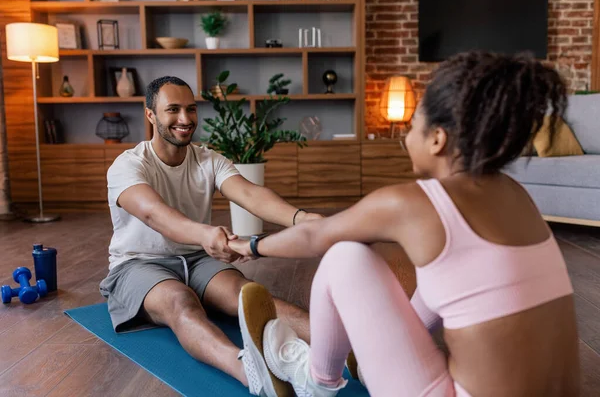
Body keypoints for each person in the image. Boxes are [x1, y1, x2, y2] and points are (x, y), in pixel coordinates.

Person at [231, 51, 580, 397]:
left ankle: (314, 382)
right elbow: (455, 280)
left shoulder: (417, 203)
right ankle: (369, 366)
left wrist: (249, 245)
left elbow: (314, 236)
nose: (407, 138)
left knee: (344, 256)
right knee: (445, 269)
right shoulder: (518, 197)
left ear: (437, 139)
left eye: (412, 125)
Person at [99, 75, 321, 397]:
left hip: (196, 259)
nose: (185, 119)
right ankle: (250, 372)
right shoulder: (128, 166)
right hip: (138, 264)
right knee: (180, 302)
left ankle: (343, 342)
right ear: (150, 114)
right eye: (172, 110)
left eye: (190, 109)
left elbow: (250, 194)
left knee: (248, 295)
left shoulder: (208, 159)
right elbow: (154, 214)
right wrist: (206, 234)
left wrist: (301, 218)